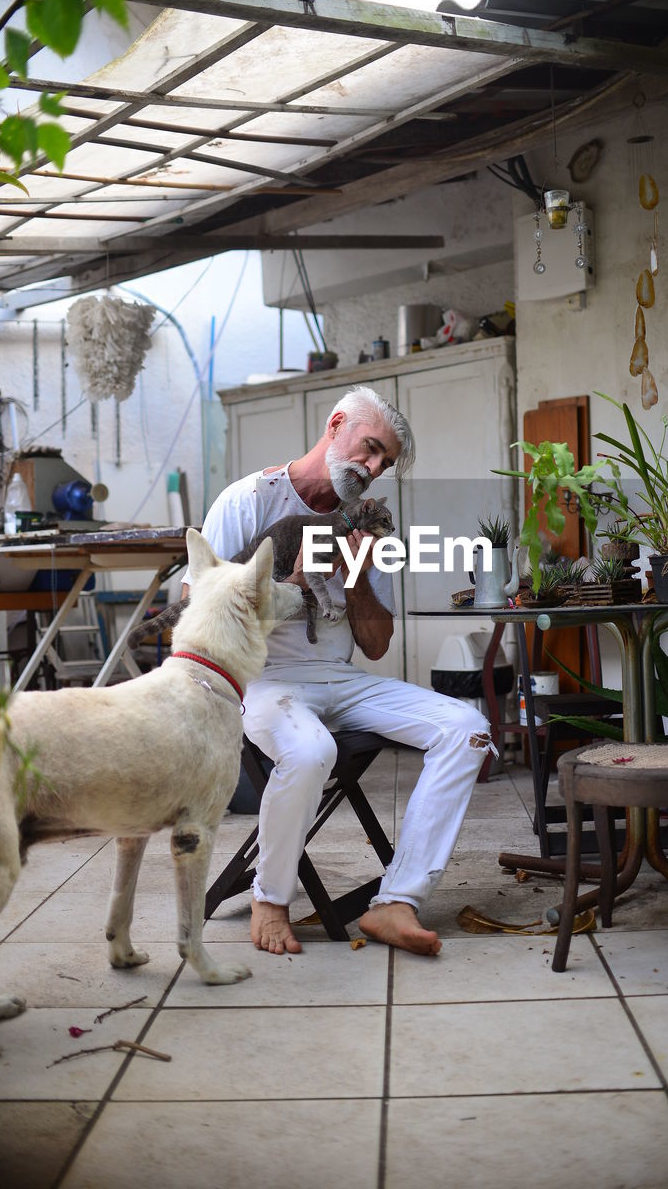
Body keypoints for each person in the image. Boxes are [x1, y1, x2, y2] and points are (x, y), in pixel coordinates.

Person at [183, 384, 495, 956]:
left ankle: (397, 902)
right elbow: (200, 616)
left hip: (342, 679)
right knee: (310, 751)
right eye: (369, 448)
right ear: (335, 425)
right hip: (264, 680)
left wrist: (354, 579)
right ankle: (270, 897)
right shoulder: (246, 501)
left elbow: (375, 645)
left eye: (385, 462)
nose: (373, 468)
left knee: (465, 727)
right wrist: (293, 584)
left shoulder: (365, 525)